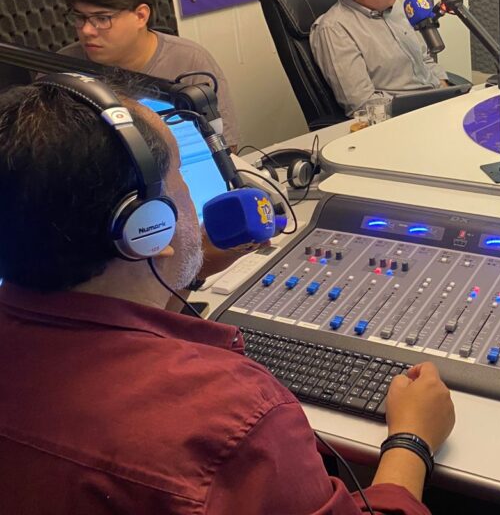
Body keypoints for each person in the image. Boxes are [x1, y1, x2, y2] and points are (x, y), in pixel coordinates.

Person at [0, 77, 456, 514]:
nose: (190, 196)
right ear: (148, 225)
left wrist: (185, 266)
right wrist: (411, 440)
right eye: (179, 178)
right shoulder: (235, 418)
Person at [58, 0, 241, 147]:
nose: (86, 30)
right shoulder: (60, 68)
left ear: (141, 16)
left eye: (102, 18)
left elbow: (225, 149)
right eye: (79, 17)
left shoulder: (191, 61)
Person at [311, 0, 448, 116]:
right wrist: (425, 107)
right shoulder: (335, 30)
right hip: (404, 118)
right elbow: (362, 104)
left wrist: (445, 87)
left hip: (437, 103)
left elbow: (423, 59)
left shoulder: (394, 5)